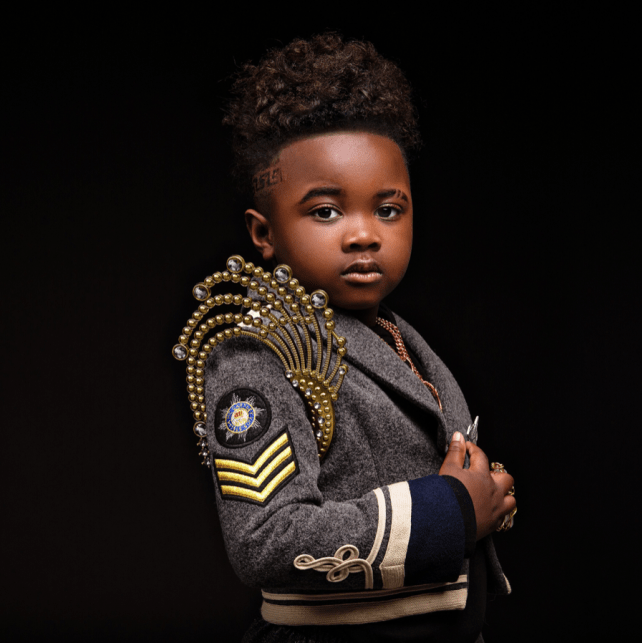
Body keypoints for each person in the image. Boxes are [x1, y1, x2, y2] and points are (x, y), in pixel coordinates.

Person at [178, 34, 517, 642]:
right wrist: (455, 508)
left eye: (388, 209)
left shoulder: (396, 335)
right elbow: (267, 540)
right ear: (263, 233)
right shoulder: (258, 351)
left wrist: (486, 498)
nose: (364, 234)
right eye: (326, 211)